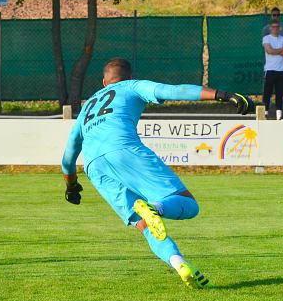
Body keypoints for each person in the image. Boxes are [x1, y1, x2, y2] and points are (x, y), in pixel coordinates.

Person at [61, 58, 253, 288]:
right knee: (188, 205)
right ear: (129, 77)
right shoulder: (132, 86)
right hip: (124, 150)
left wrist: (71, 185)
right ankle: (156, 208)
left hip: (94, 167)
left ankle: (179, 263)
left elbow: (70, 151)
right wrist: (222, 95)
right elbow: (174, 91)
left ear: (104, 82)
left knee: (144, 224)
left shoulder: (88, 105)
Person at [261, 7, 283, 110]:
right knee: (268, 87)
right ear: (271, 16)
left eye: (278, 15)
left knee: (282, 83)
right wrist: (279, 50)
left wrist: (279, 50)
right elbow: (268, 49)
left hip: (282, 61)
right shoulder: (265, 29)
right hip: (270, 62)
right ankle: (266, 105)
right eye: (274, 15)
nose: (276, 16)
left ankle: (282, 101)